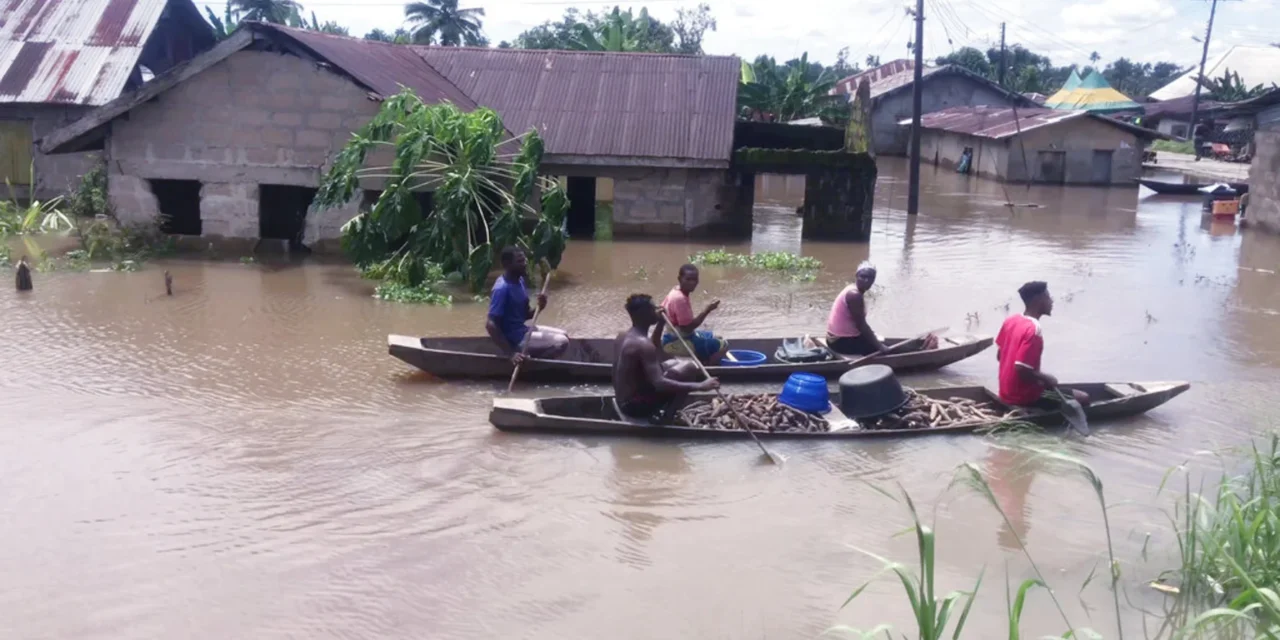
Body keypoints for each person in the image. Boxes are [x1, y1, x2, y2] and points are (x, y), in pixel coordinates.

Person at [614, 293, 719, 421]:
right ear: (644, 314)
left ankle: (665, 413)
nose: (657, 310)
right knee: (690, 368)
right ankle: (667, 417)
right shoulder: (642, 344)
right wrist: (700, 386)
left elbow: (655, 348)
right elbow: (659, 384)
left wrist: (661, 323)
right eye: (653, 308)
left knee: (675, 363)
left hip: (623, 398)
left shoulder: (623, 335)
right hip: (633, 406)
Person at [995, 281, 1089, 408]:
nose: (1052, 301)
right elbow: (1022, 369)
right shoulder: (1034, 330)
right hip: (1024, 397)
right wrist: (1047, 379)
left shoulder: (1011, 320)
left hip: (1004, 392)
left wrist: (1038, 378)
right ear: (1039, 300)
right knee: (1083, 398)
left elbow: (1000, 356)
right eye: (1048, 297)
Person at [486, 246, 570, 364]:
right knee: (561, 342)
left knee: (564, 334)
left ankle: (534, 357)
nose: (525, 263)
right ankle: (534, 365)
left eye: (524, 260)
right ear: (507, 264)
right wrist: (510, 353)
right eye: (520, 261)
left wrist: (540, 307)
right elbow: (490, 325)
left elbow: (526, 315)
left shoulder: (519, 281)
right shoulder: (502, 288)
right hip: (514, 339)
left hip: (522, 330)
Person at [660, 264, 730, 365]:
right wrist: (707, 310)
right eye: (688, 279)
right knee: (723, 344)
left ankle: (703, 359)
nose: (692, 283)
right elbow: (687, 328)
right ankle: (708, 368)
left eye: (694, 280)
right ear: (680, 279)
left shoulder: (676, 290)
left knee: (714, 336)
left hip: (673, 335)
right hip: (675, 341)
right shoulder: (680, 299)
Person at [826, 261, 885, 356]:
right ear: (856, 276)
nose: (866, 280)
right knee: (885, 349)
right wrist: (880, 347)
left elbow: (860, 324)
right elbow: (861, 325)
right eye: (863, 276)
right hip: (840, 343)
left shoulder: (852, 289)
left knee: (879, 341)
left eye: (870, 278)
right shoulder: (854, 295)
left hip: (836, 339)